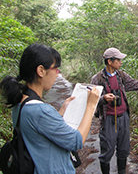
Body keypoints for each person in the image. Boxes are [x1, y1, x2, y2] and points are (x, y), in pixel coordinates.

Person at [0, 43, 100, 174]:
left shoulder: (19, 103)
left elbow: (40, 133)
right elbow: (76, 141)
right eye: (56, 69)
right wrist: (91, 106)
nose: (58, 75)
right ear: (41, 71)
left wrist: (62, 111)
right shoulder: (40, 111)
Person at [90, 47, 138, 174]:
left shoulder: (122, 76)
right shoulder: (97, 79)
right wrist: (103, 98)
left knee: (124, 150)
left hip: (123, 117)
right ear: (110, 61)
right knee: (107, 151)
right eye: (118, 60)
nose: (121, 62)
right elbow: (91, 100)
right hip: (108, 119)